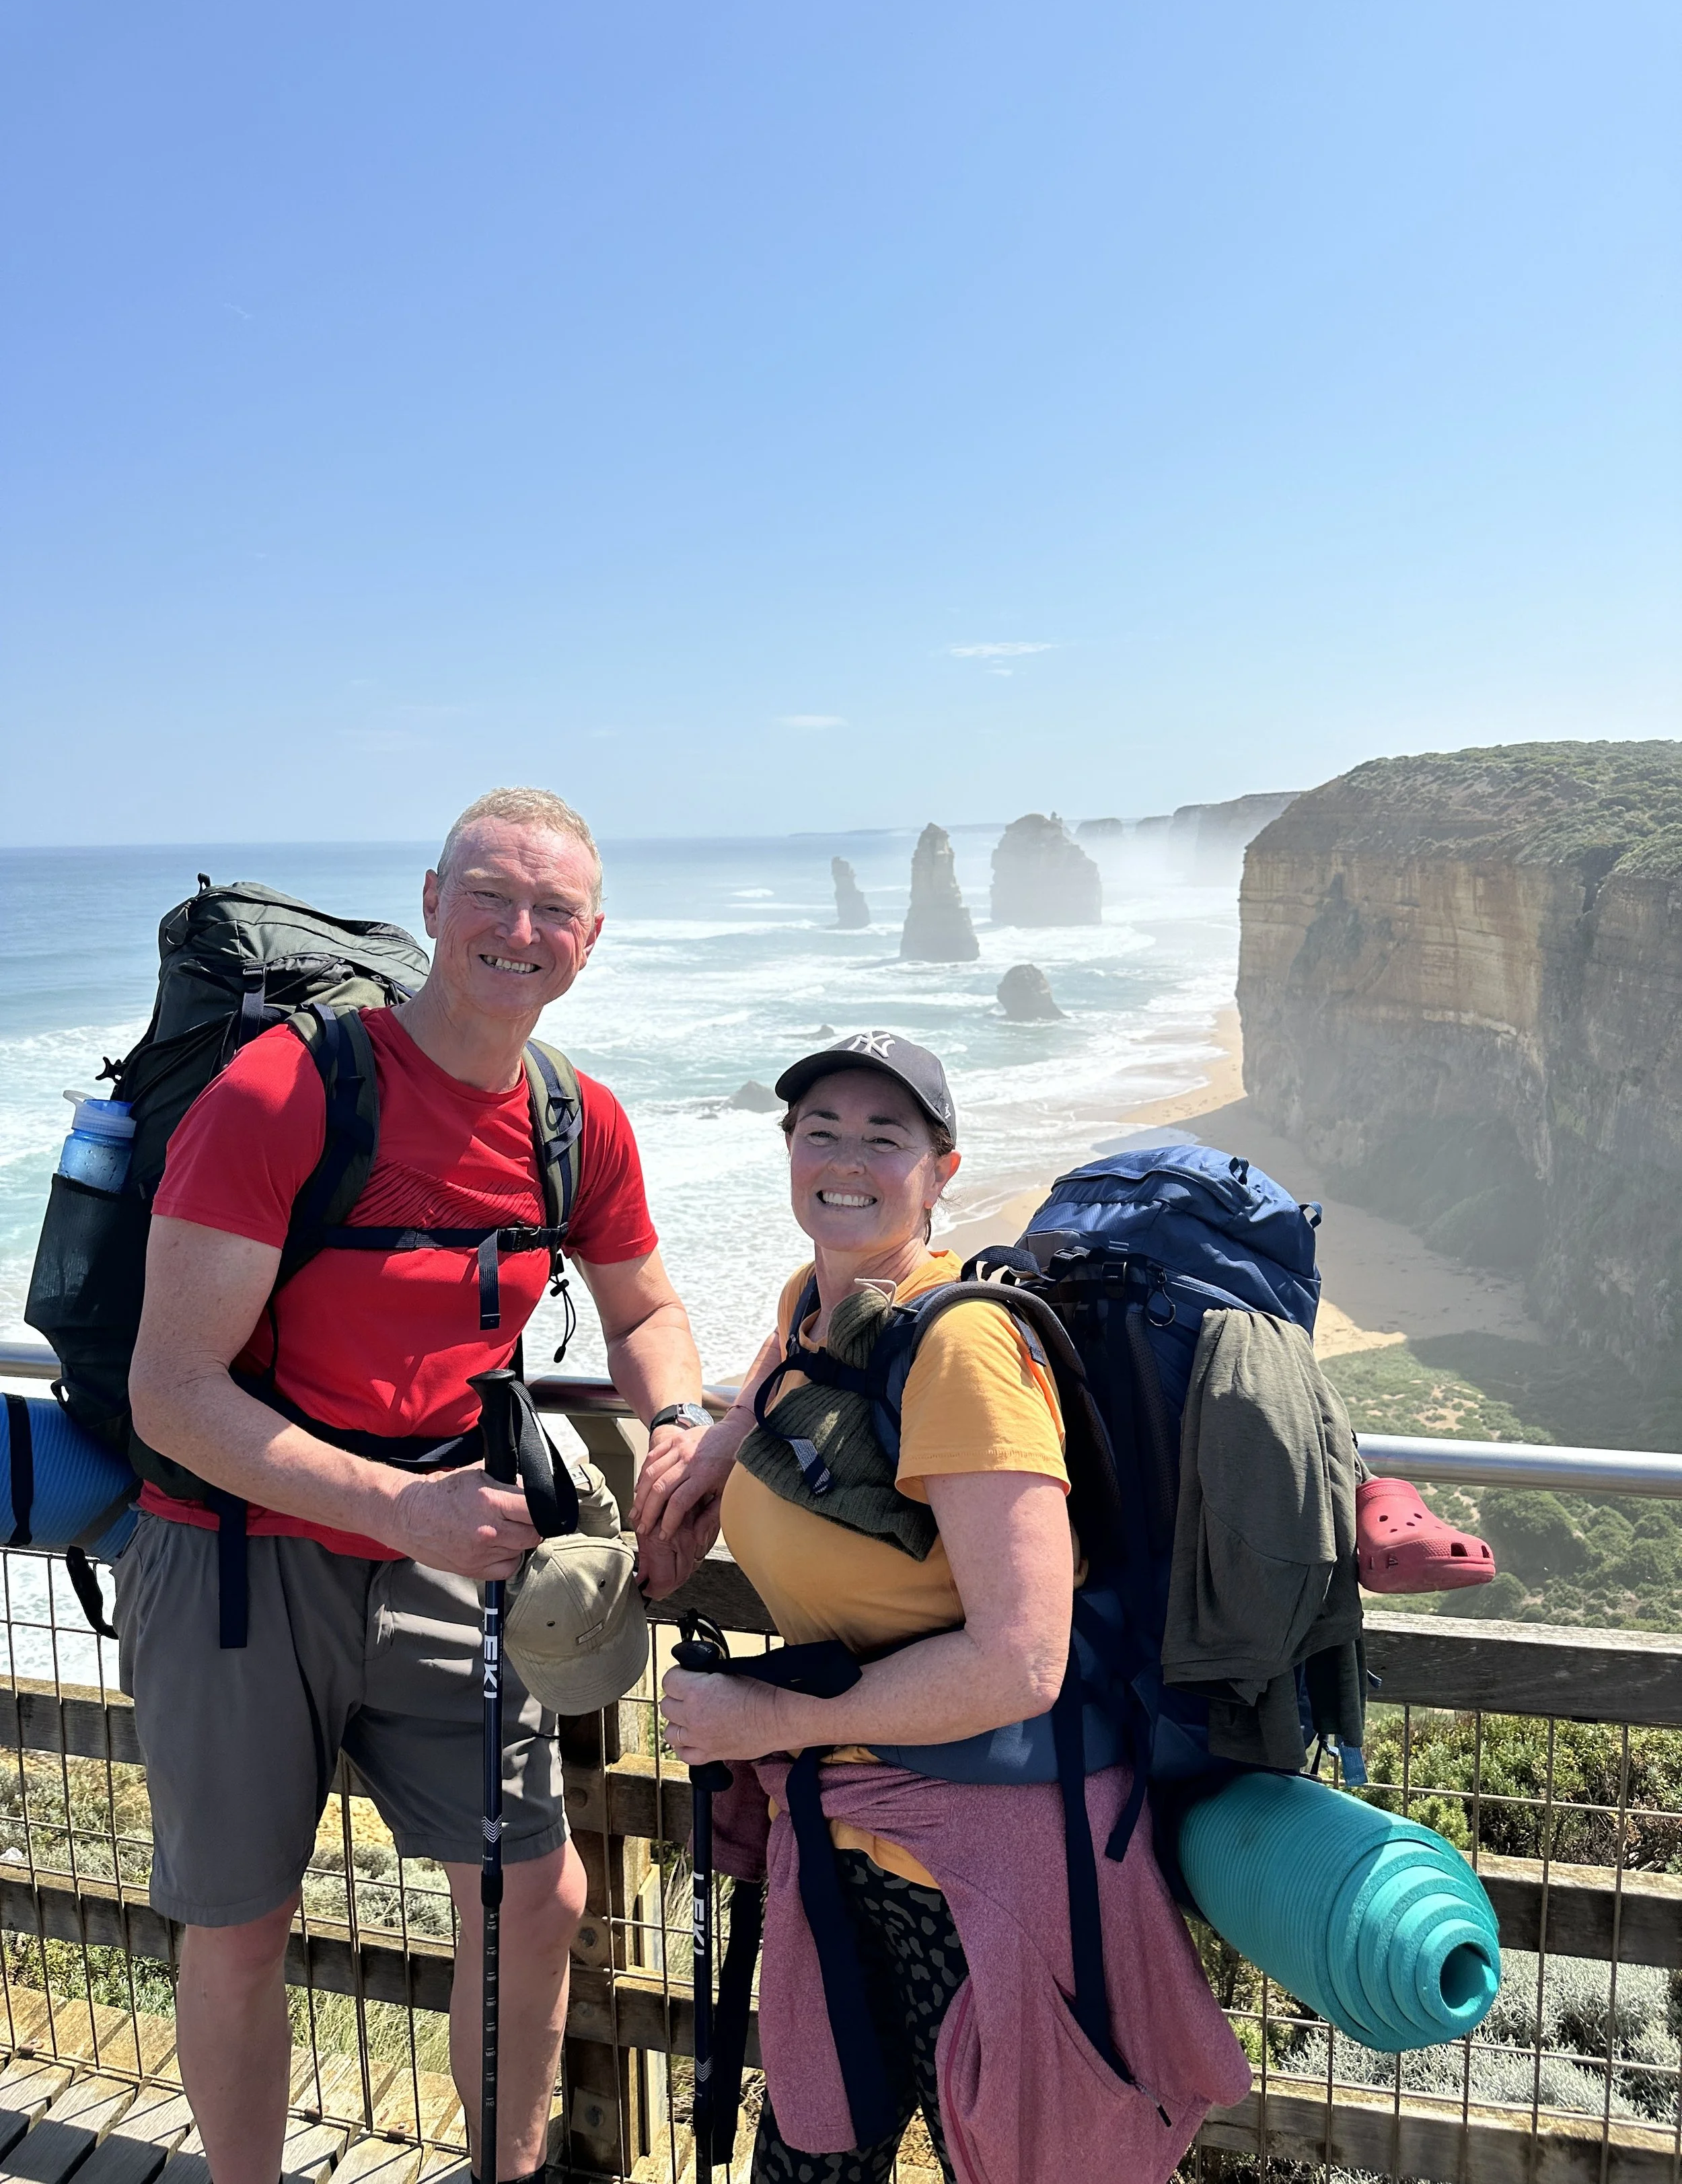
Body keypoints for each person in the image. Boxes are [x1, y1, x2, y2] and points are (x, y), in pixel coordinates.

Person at [125, 788, 711, 2184]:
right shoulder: (282, 1092)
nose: (520, 930)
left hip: (453, 1547)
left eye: (551, 910)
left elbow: (642, 1310)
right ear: (433, 902)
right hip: (234, 1555)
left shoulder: (575, 1116)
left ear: (590, 938)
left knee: (533, 1894)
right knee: (243, 1922)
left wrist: (681, 1425)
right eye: (491, 896)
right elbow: (171, 1390)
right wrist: (399, 1512)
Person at [634, 1032, 1247, 2184]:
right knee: (817, 2151)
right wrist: (707, 1457)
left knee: (1010, 2160)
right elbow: (779, 1373)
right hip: (854, 1831)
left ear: (945, 1167)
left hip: (985, 1860)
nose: (846, 1157)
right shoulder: (819, 1307)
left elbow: (1021, 1664)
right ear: (787, 1150)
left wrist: (766, 1723)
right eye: (821, 1130)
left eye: (884, 1135)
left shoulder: (961, 1346)